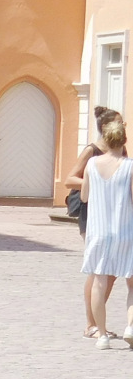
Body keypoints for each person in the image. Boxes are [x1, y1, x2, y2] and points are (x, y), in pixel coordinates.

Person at [66, 107, 124, 337]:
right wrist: (99, 182)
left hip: (113, 212)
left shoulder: (121, 149)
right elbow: (70, 179)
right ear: (107, 126)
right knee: (98, 267)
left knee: (111, 271)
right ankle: (91, 324)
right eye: (120, 122)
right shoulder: (93, 150)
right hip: (91, 212)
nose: (124, 126)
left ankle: (99, 322)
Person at [80, 114, 133, 349]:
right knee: (131, 284)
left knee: (99, 283)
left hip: (99, 231)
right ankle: (130, 325)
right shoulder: (130, 167)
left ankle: (101, 335)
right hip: (125, 231)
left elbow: (84, 196)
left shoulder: (92, 164)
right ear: (123, 140)